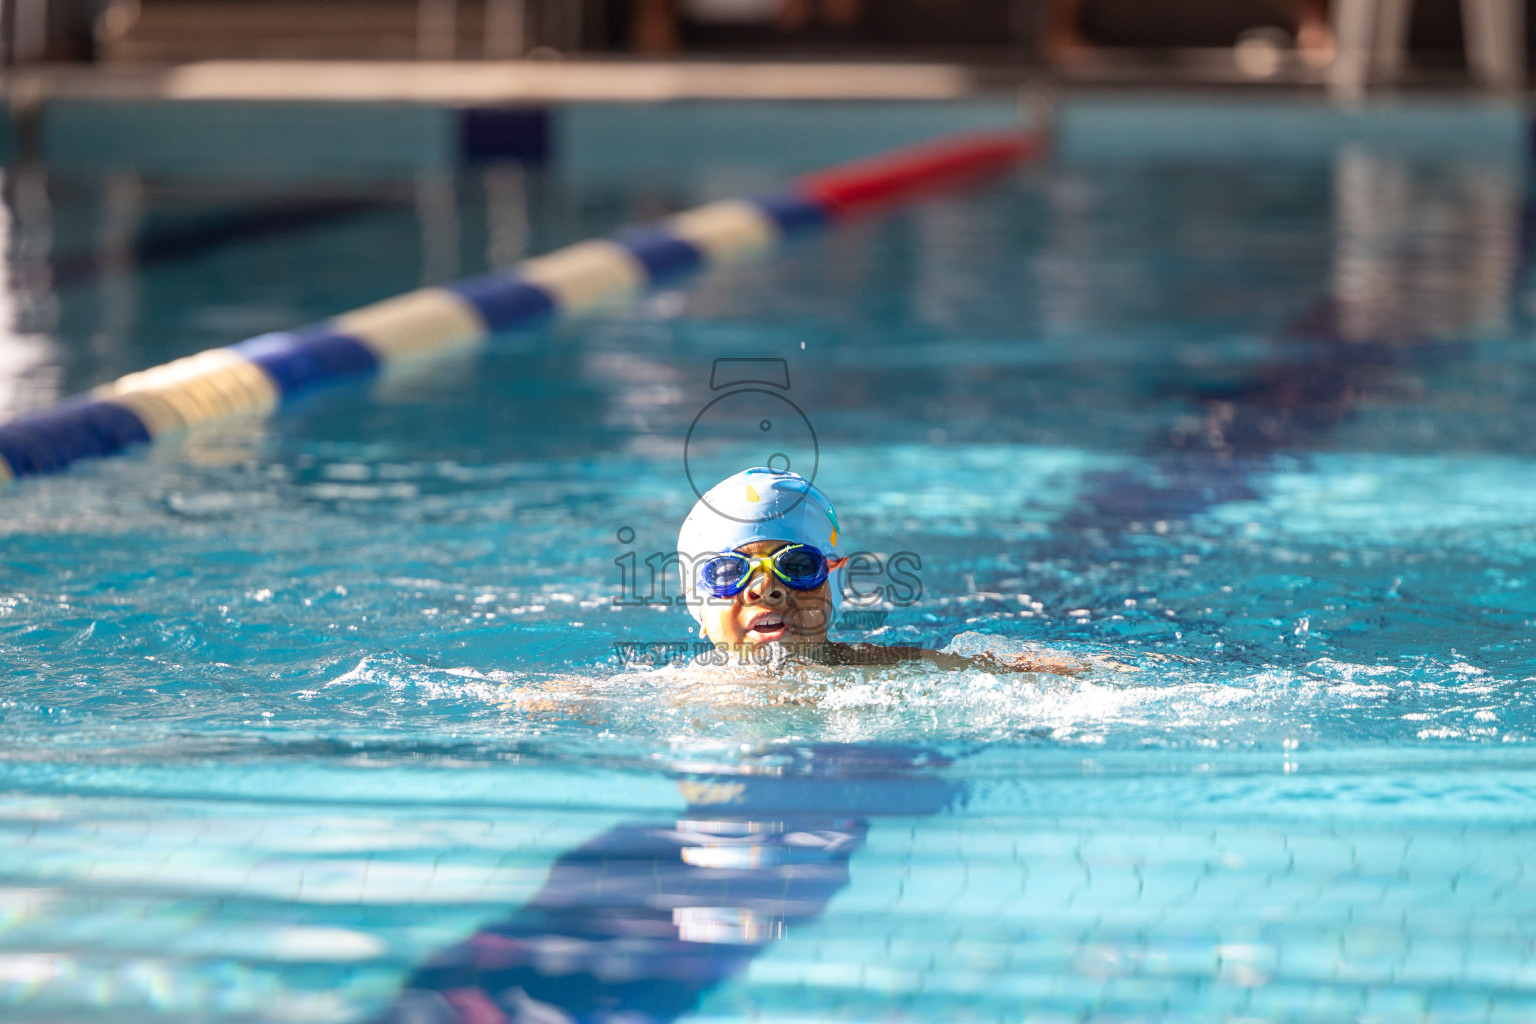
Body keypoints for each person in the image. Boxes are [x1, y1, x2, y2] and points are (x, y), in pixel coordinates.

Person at [675, 467, 1091, 674]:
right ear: (696, 601)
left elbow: (1038, 673)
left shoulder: (885, 669)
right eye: (729, 573)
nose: (766, 589)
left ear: (831, 580)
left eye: (797, 566)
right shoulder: (671, 694)